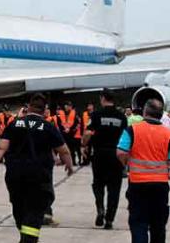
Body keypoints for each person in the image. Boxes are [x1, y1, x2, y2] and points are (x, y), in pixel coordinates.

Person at [0, 94, 74, 243]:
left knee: (20, 209)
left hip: (15, 176)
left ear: (28, 107)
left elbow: (1, 147)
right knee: (35, 212)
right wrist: (69, 166)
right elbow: (64, 151)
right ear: (44, 110)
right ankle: (28, 239)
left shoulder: (14, 124)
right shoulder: (48, 127)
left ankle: (25, 237)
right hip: (39, 177)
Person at [117, 98, 170, 243]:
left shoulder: (132, 130)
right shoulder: (168, 134)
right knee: (158, 225)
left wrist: (128, 165)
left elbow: (121, 152)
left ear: (145, 112)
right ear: (161, 114)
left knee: (139, 223)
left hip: (138, 184)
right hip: (160, 186)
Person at [81, 89, 127, 230]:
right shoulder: (122, 117)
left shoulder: (96, 115)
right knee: (114, 188)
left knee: (98, 184)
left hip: (100, 153)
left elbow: (88, 133)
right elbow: (126, 137)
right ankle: (109, 219)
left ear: (102, 98)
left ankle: (100, 208)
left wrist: (84, 145)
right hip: (116, 154)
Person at [57, 101, 81, 165]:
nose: (67, 107)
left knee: (72, 149)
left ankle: (73, 161)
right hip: (63, 133)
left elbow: (76, 123)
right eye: (66, 105)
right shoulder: (60, 113)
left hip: (71, 134)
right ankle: (63, 161)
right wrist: (64, 129)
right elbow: (59, 123)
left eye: (69, 105)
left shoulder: (75, 113)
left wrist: (70, 130)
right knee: (63, 149)